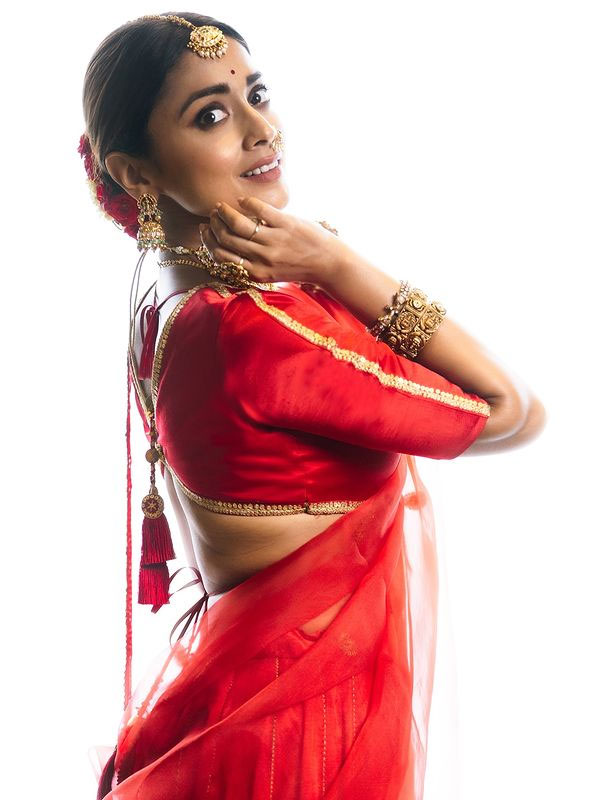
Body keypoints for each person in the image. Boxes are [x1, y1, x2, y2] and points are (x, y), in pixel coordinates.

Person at [79, 12, 546, 800]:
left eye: (256, 94)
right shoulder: (255, 328)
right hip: (302, 726)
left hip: (239, 695)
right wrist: (337, 262)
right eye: (212, 115)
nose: (261, 128)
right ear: (136, 174)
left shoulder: (163, 296)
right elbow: (511, 409)